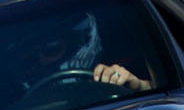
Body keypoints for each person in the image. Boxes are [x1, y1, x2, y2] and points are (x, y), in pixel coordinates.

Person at [18, 12, 152, 93]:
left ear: (83, 39)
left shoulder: (136, 66)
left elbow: (164, 95)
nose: (42, 60)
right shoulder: (22, 103)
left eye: (51, 48)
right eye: (31, 57)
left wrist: (138, 86)